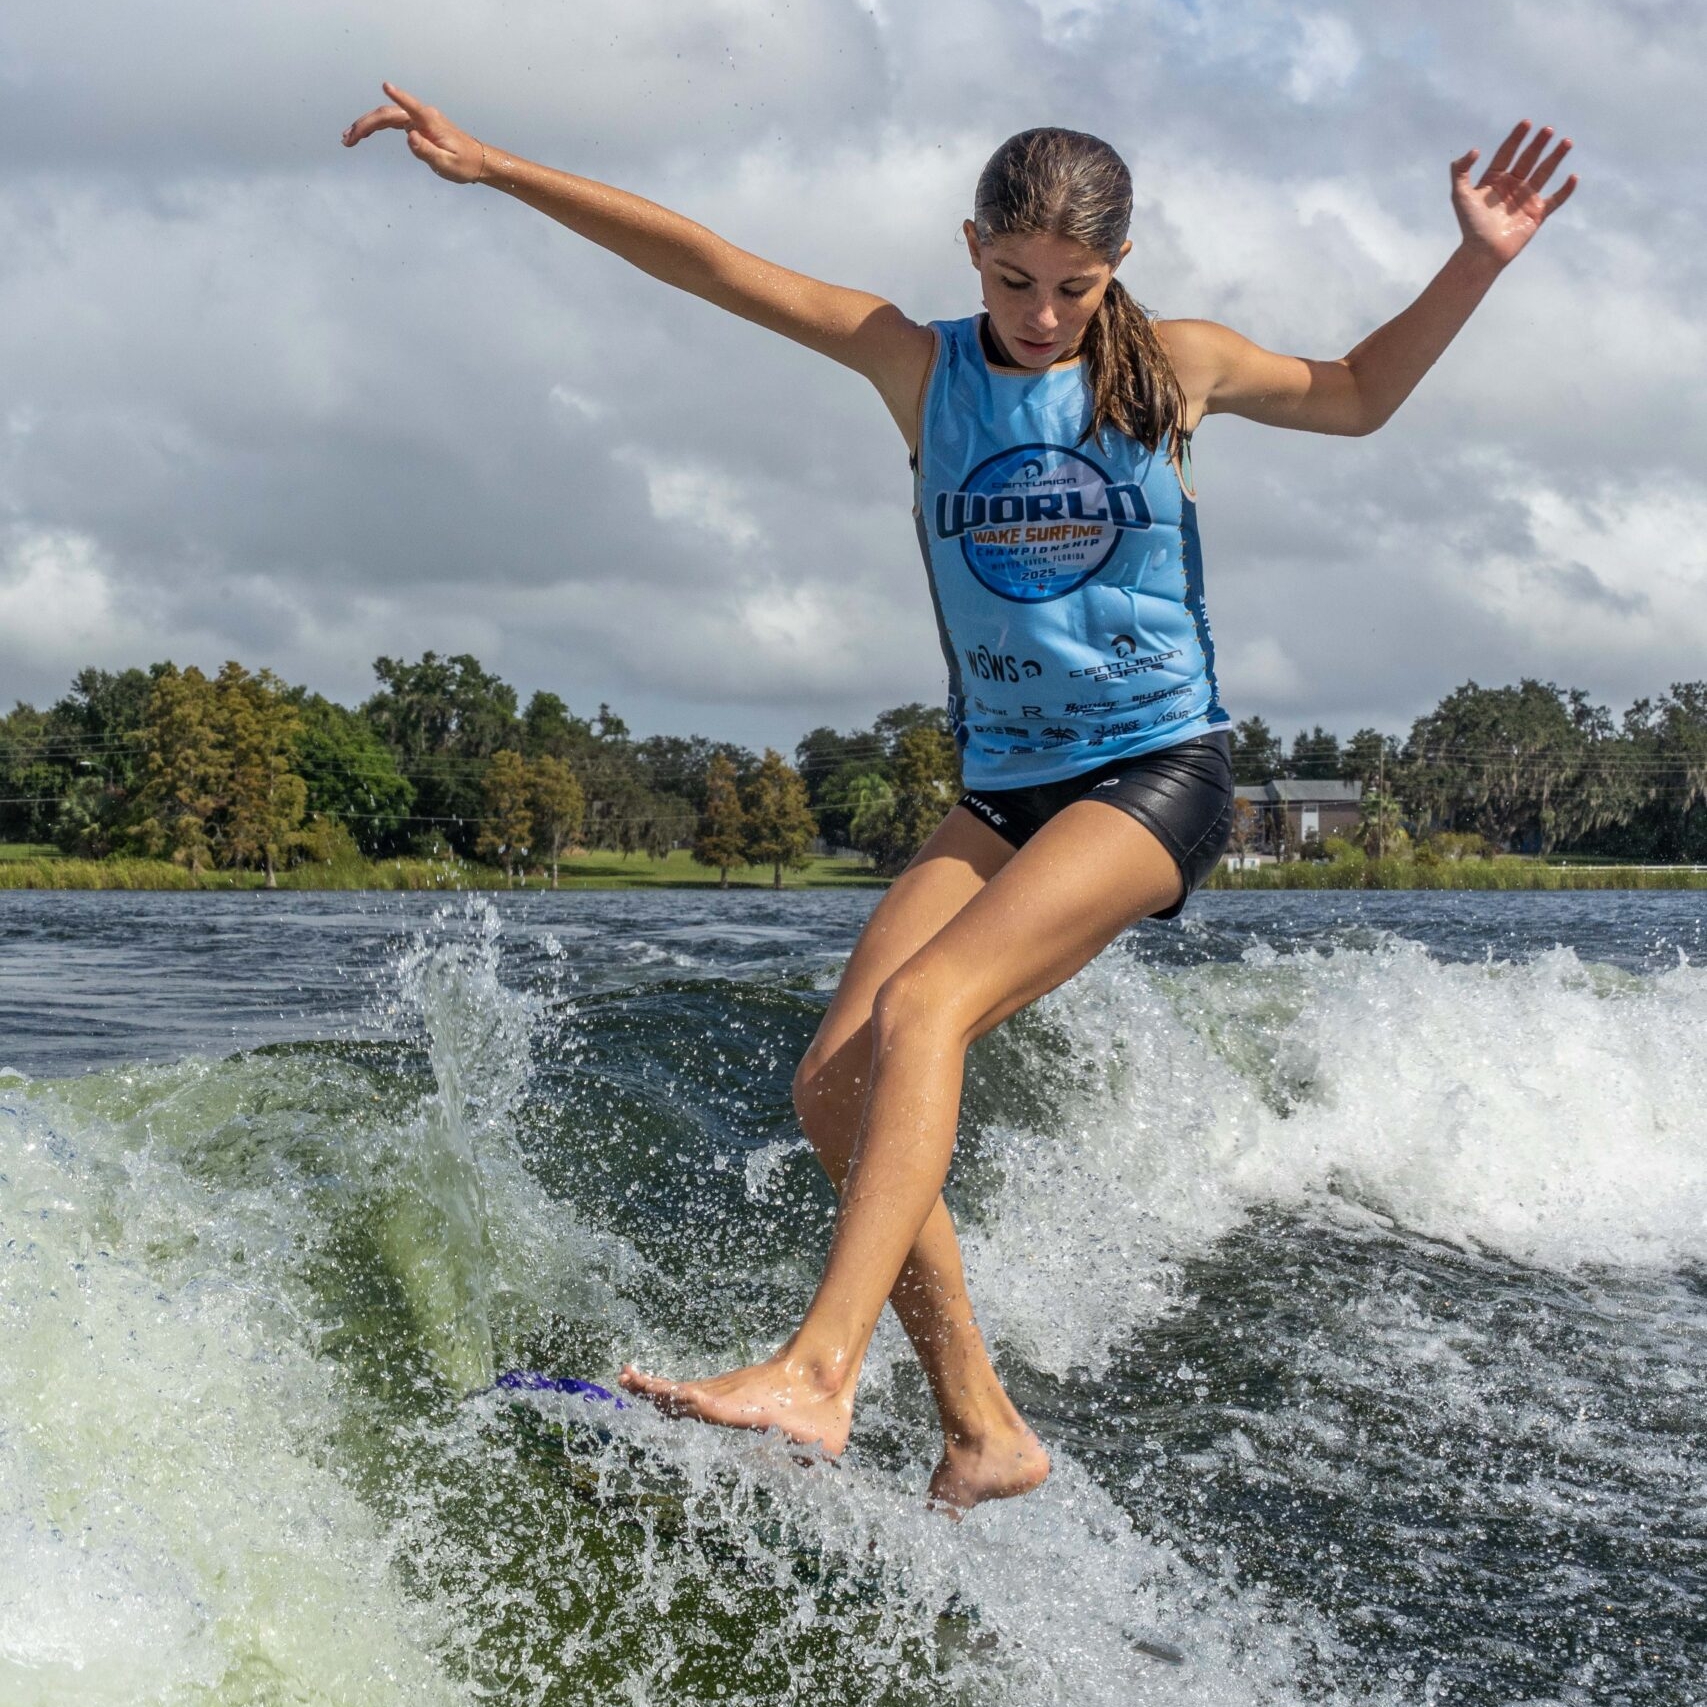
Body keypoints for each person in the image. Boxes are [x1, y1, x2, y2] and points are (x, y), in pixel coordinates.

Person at [342, 89, 1576, 1513]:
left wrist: (1479, 258)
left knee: (927, 1010)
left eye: (1074, 288)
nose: (1043, 316)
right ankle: (983, 1426)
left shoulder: (1175, 369)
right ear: (972, 248)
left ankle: (818, 1372)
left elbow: (1357, 393)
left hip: (1155, 773)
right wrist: (493, 167)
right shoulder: (917, 367)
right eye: (1014, 282)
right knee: (832, 1090)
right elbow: (707, 260)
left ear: (1116, 269)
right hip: (1000, 790)